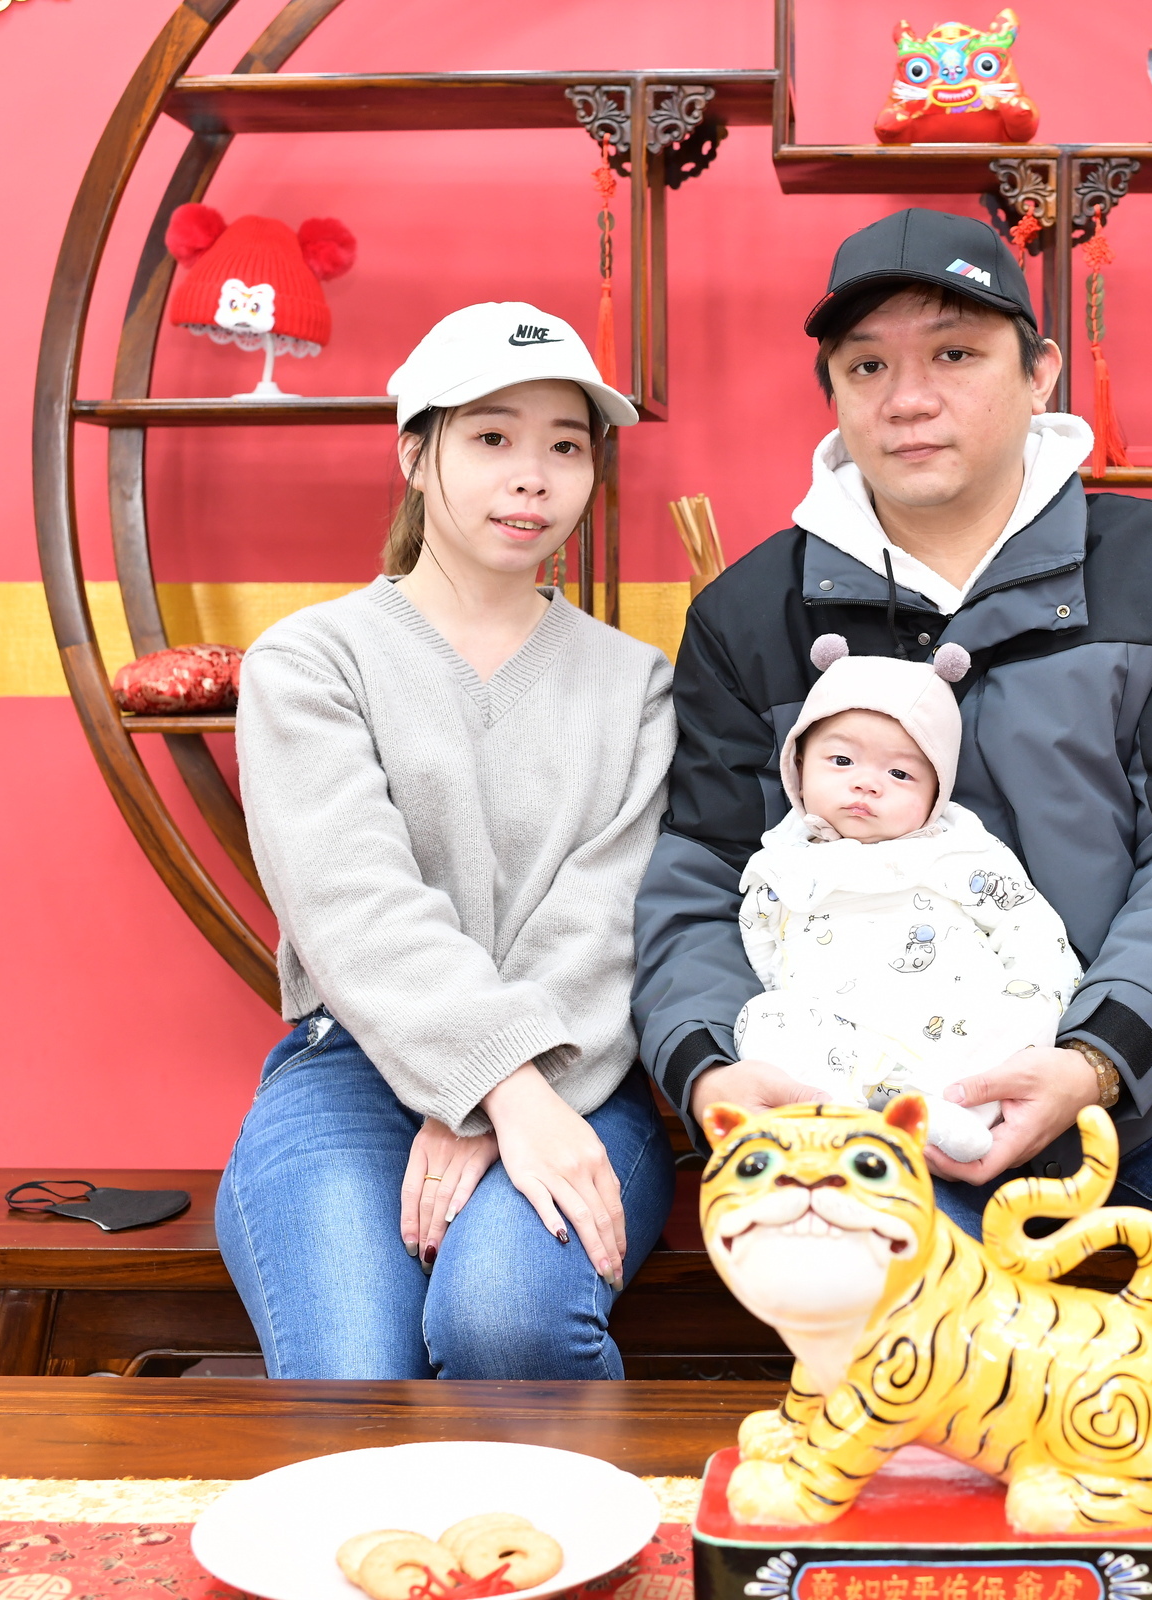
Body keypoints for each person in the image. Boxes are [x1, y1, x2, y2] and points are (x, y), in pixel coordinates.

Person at [634, 211, 1152, 1374]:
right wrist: (715, 1069)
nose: (908, 398)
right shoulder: (748, 615)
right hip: (868, 1114)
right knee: (950, 1356)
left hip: (1142, 1087)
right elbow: (696, 884)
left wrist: (1094, 1058)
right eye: (867, 366)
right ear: (831, 393)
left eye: (955, 354)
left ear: (1039, 372)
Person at [220, 302, 678, 1379]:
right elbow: (353, 904)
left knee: (505, 1321)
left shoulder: (634, 683)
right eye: (491, 438)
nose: (532, 477)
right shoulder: (311, 661)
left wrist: (512, 1089)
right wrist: (491, 1089)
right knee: (352, 1374)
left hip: (580, 1068)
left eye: (565, 447)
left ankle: (574, 1507)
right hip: (356, 1067)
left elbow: (608, 917)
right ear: (415, 455)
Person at [734, 634, 1082, 1162]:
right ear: (799, 767)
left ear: (936, 792)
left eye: (899, 773)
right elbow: (763, 946)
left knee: (1026, 1012)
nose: (866, 784)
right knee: (764, 1016)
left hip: (957, 1031)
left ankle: (948, 1113)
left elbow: (1033, 933)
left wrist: (1032, 1000)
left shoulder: (961, 852)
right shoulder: (782, 861)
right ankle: (844, 1116)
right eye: (841, 760)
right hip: (845, 1044)